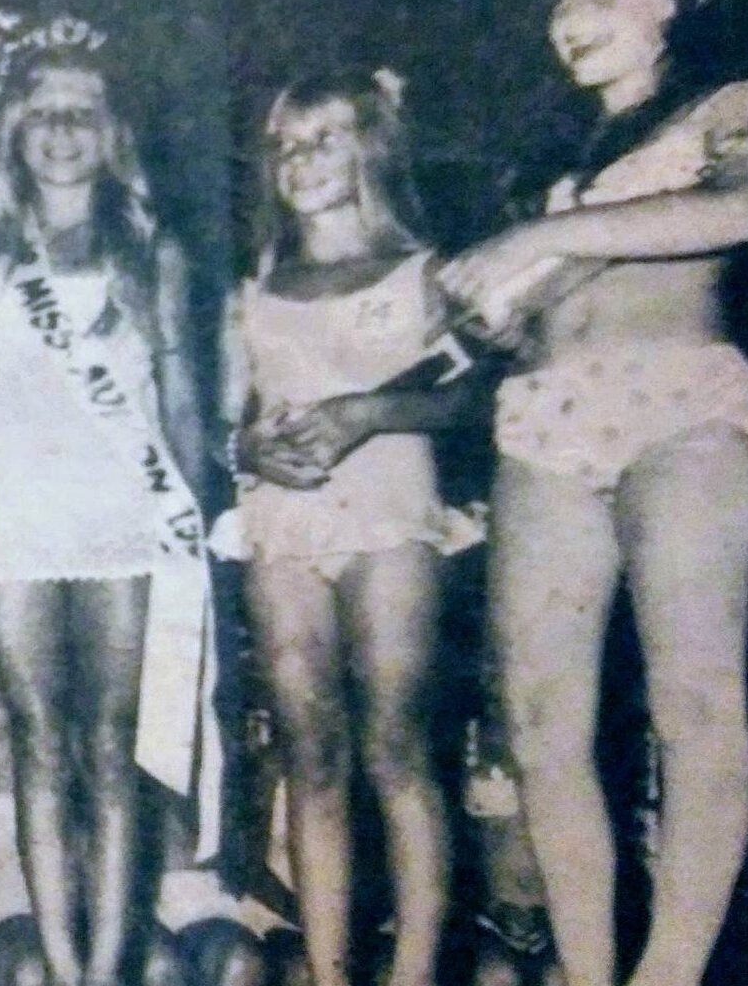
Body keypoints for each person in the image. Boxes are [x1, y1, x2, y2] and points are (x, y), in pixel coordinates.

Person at [439, 0, 748, 986]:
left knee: (693, 703)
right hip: (545, 417)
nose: (566, 12)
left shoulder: (730, 103)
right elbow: (535, 307)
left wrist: (534, 235)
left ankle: (665, 975)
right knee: (536, 723)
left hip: (680, 405)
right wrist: (493, 310)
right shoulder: (557, 151)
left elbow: (738, 209)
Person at [0, 43, 216, 986]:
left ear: (114, 132)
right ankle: (62, 964)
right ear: (15, 129)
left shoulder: (151, 253)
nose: (63, 131)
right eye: (43, 112)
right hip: (15, 510)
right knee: (38, 737)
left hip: (122, 510)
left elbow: (179, 401)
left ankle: (108, 963)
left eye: (83, 111)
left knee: (113, 744)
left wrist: (197, 509)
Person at [230, 67, 482, 986]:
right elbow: (225, 424)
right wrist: (247, 450)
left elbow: (467, 402)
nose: (300, 161)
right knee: (310, 750)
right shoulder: (257, 287)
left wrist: (369, 413)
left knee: (398, 745)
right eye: (285, 146)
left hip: (388, 519)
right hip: (284, 525)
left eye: (324, 138)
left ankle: (413, 974)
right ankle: (331, 972)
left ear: (372, 144)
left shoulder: (426, 273)